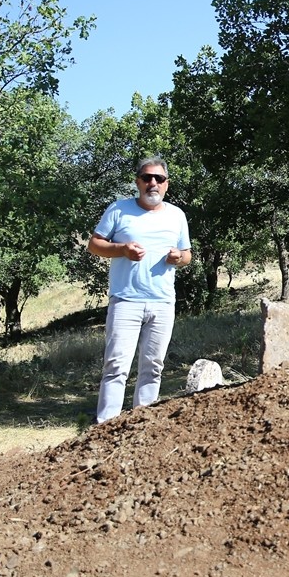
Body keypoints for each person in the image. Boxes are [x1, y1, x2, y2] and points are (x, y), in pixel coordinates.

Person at [88, 156, 192, 423]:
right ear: (137, 182)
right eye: (147, 178)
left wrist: (177, 257)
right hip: (126, 301)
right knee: (115, 367)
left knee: (153, 367)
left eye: (159, 179)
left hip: (162, 303)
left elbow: (187, 255)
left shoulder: (177, 215)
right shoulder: (118, 210)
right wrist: (121, 249)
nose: (153, 183)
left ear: (167, 184)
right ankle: (106, 426)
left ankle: (142, 426)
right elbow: (94, 245)